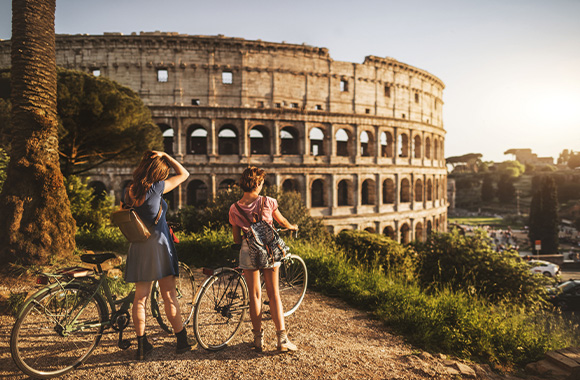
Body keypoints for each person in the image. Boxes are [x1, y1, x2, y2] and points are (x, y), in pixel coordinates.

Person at [123, 150, 196, 360]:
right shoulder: (157, 188)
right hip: (159, 248)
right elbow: (184, 174)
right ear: (159, 172)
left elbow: (125, 213)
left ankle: (142, 346)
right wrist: (166, 155)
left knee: (139, 299)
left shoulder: (131, 190)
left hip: (138, 247)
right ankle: (181, 341)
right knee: (169, 295)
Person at [228, 166, 299, 353]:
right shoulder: (268, 201)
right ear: (258, 183)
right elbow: (282, 221)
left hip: (246, 249)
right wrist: (291, 227)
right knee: (274, 293)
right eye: (261, 183)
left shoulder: (234, 208)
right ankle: (282, 339)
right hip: (268, 250)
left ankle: (258, 339)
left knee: (254, 296)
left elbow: (236, 238)